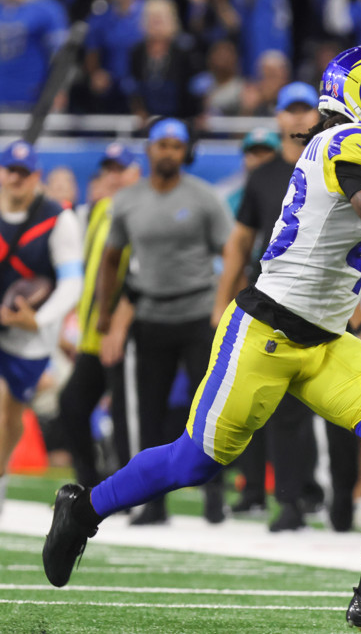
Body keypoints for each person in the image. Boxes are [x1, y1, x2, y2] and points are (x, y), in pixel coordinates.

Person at [42, 44, 361, 632]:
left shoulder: (348, 147)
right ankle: (85, 510)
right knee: (194, 461)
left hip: (324, 338)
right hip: (268, 333)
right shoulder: (353, 142)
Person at [214, 82, 347, 533]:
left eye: (302, 109)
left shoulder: (338, 164)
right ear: (277, 118)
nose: (295, 118)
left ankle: (323, 497)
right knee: (272, 408)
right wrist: (221, 300)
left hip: (326, 302)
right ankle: (287, 497)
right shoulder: (264, 174)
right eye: (287, 110)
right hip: (273, 303)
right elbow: (239, 243)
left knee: (329, 409)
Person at [97, 118, 233, 526]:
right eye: (163, 145)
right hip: (150, 314)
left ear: (185, 152)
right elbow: (110, 259)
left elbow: (233, 254)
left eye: (177, 145)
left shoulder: (205, 198)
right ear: (150, 150)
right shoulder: (127, 201)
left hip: (197, 313)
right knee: (150, 413)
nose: (169, 152)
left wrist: (224, 307)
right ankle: (152, 503)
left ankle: (215, 495)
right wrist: (105, 315)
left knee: (209, 411)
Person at [0, 141, 83, 514]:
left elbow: (71, 281)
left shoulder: (57, 218)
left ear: (36, 176)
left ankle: (1, 475)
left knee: (9, 414)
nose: (15, 178)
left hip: (28, 337)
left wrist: (40, 319)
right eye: (9, 171)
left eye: (24, 172)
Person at [57, 143, 139, 488]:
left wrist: (118, 324)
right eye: (108, 170)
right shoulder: (98, 210)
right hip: (93, 334)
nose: (113, 177)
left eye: (120, 169)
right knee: (72, 403)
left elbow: (139, 274)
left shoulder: (141, 211)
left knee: (125, 415)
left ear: (136, 173)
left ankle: (129, 488)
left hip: (126, 333)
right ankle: (88, 485)